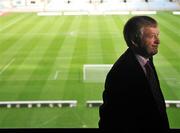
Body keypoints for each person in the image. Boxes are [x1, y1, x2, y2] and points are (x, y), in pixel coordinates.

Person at [98, 16, 170, 132]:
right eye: (152, 36)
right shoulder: (120, 74)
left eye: (158, 35)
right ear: (134, 41)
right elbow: (109, 120)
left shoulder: (147, 58)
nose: (158, 41)